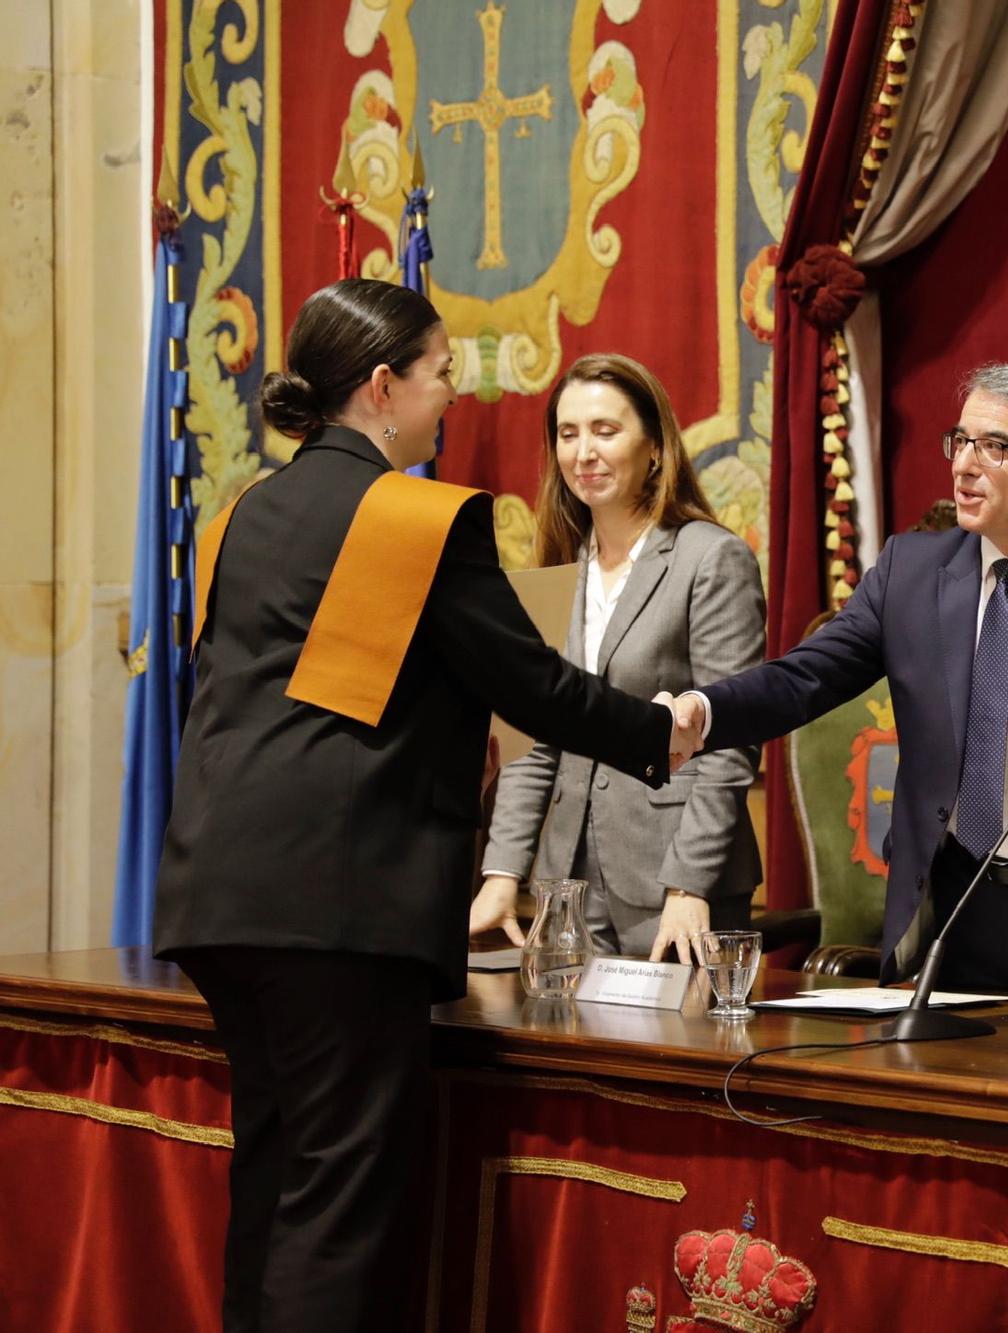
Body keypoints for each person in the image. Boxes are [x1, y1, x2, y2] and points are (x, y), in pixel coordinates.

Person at [152, 280, 686, 1333]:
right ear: (384, 386)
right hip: (339, 906)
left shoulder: (244, 513)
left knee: (277, 1172)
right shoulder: (417, 516)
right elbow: (527, 683)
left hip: (220, 889)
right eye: (442, 373)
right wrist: (659, 731)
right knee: (342, 1205)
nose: (453, 396)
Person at [671, 364, 1008, 1006]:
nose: (965, 465)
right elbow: (804, 677)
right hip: (948, 919)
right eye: (960, 441)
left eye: (996, 447)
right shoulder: (911, 570)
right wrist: (700, 713)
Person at [477, 354, 765, 964]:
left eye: (605, 431)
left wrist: (691, 884)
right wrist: (502, 873)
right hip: (567, 885)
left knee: (677, 1055)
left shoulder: (710, 559)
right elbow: (534, 736)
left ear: (655, 447)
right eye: (568, 433)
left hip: (675, 879)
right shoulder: (555, 567)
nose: (584, 452)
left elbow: (730, 741)